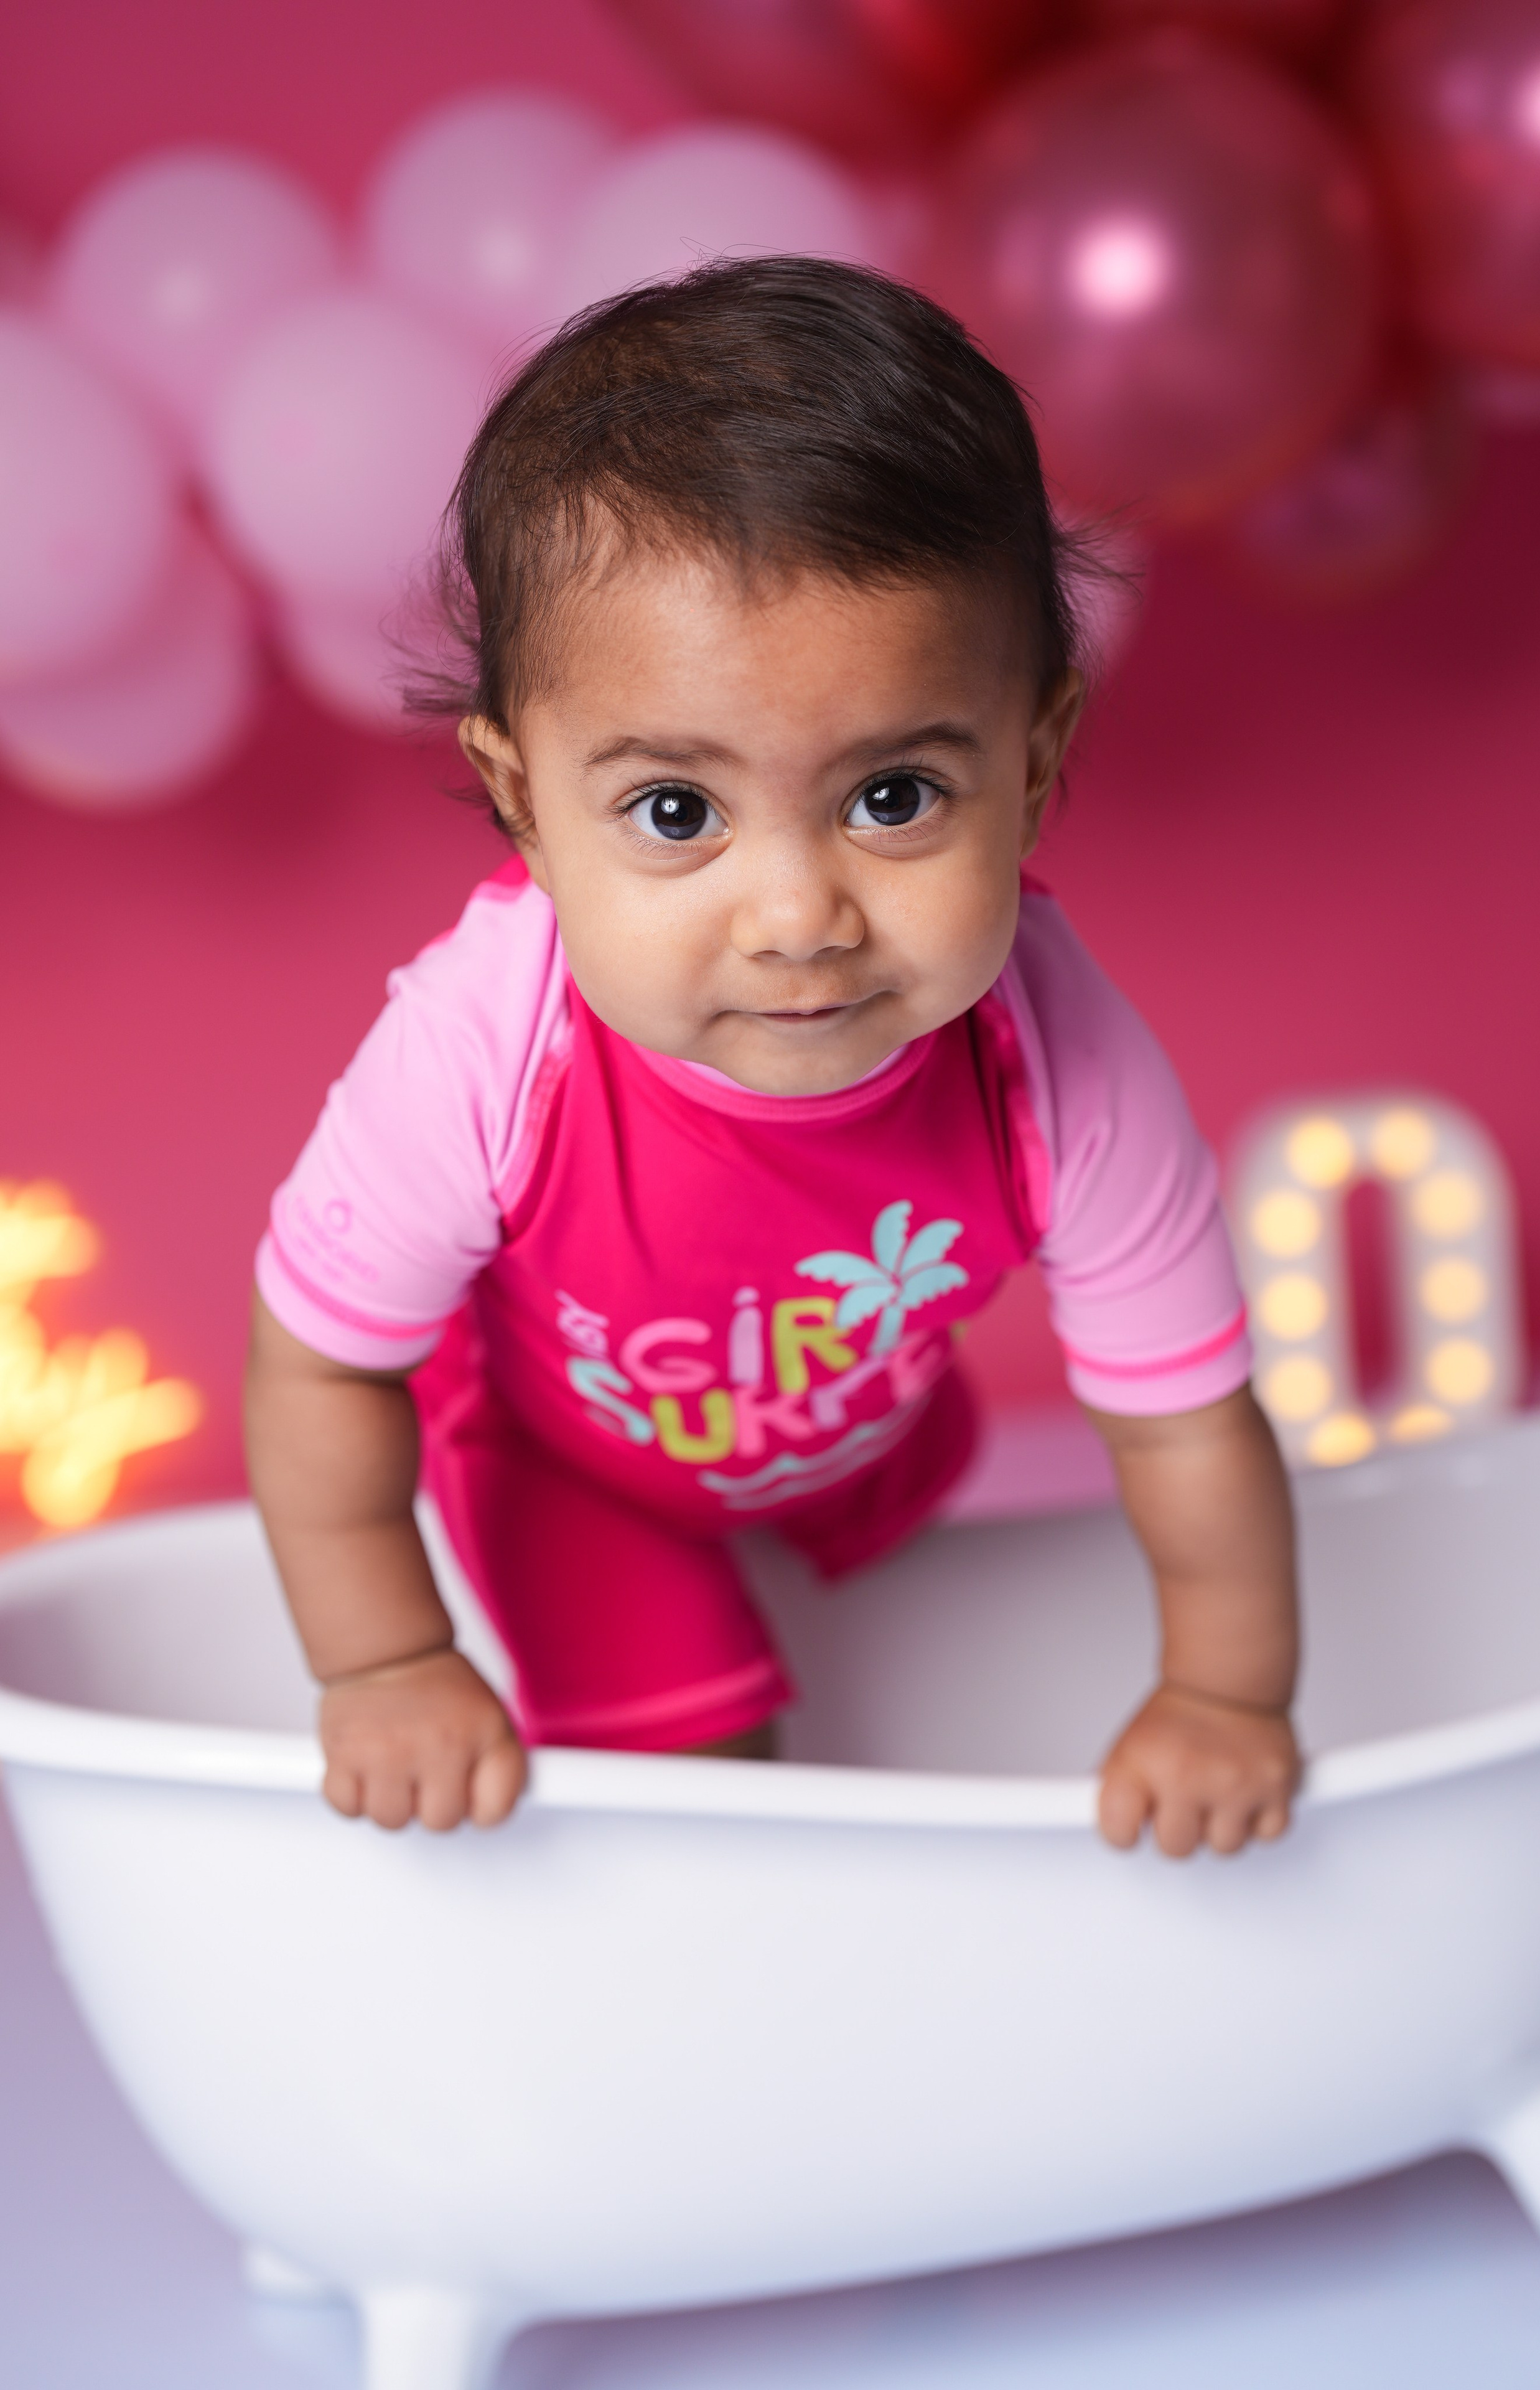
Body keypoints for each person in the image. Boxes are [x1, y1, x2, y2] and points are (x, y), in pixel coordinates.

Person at [245, 256, 1299, 1860]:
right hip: (579, 1472)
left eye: (894, 797)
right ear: (526, 804)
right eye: (677, 812)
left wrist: (1226, 1695)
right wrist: (386, 1661)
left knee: (953, 1667)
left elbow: (1185, 1417)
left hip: (862, 1438)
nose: (800, 916)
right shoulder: (482, 1049)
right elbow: (325, 1363)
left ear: (1033, 764)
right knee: (721, 1797)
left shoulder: (1057, 1057)